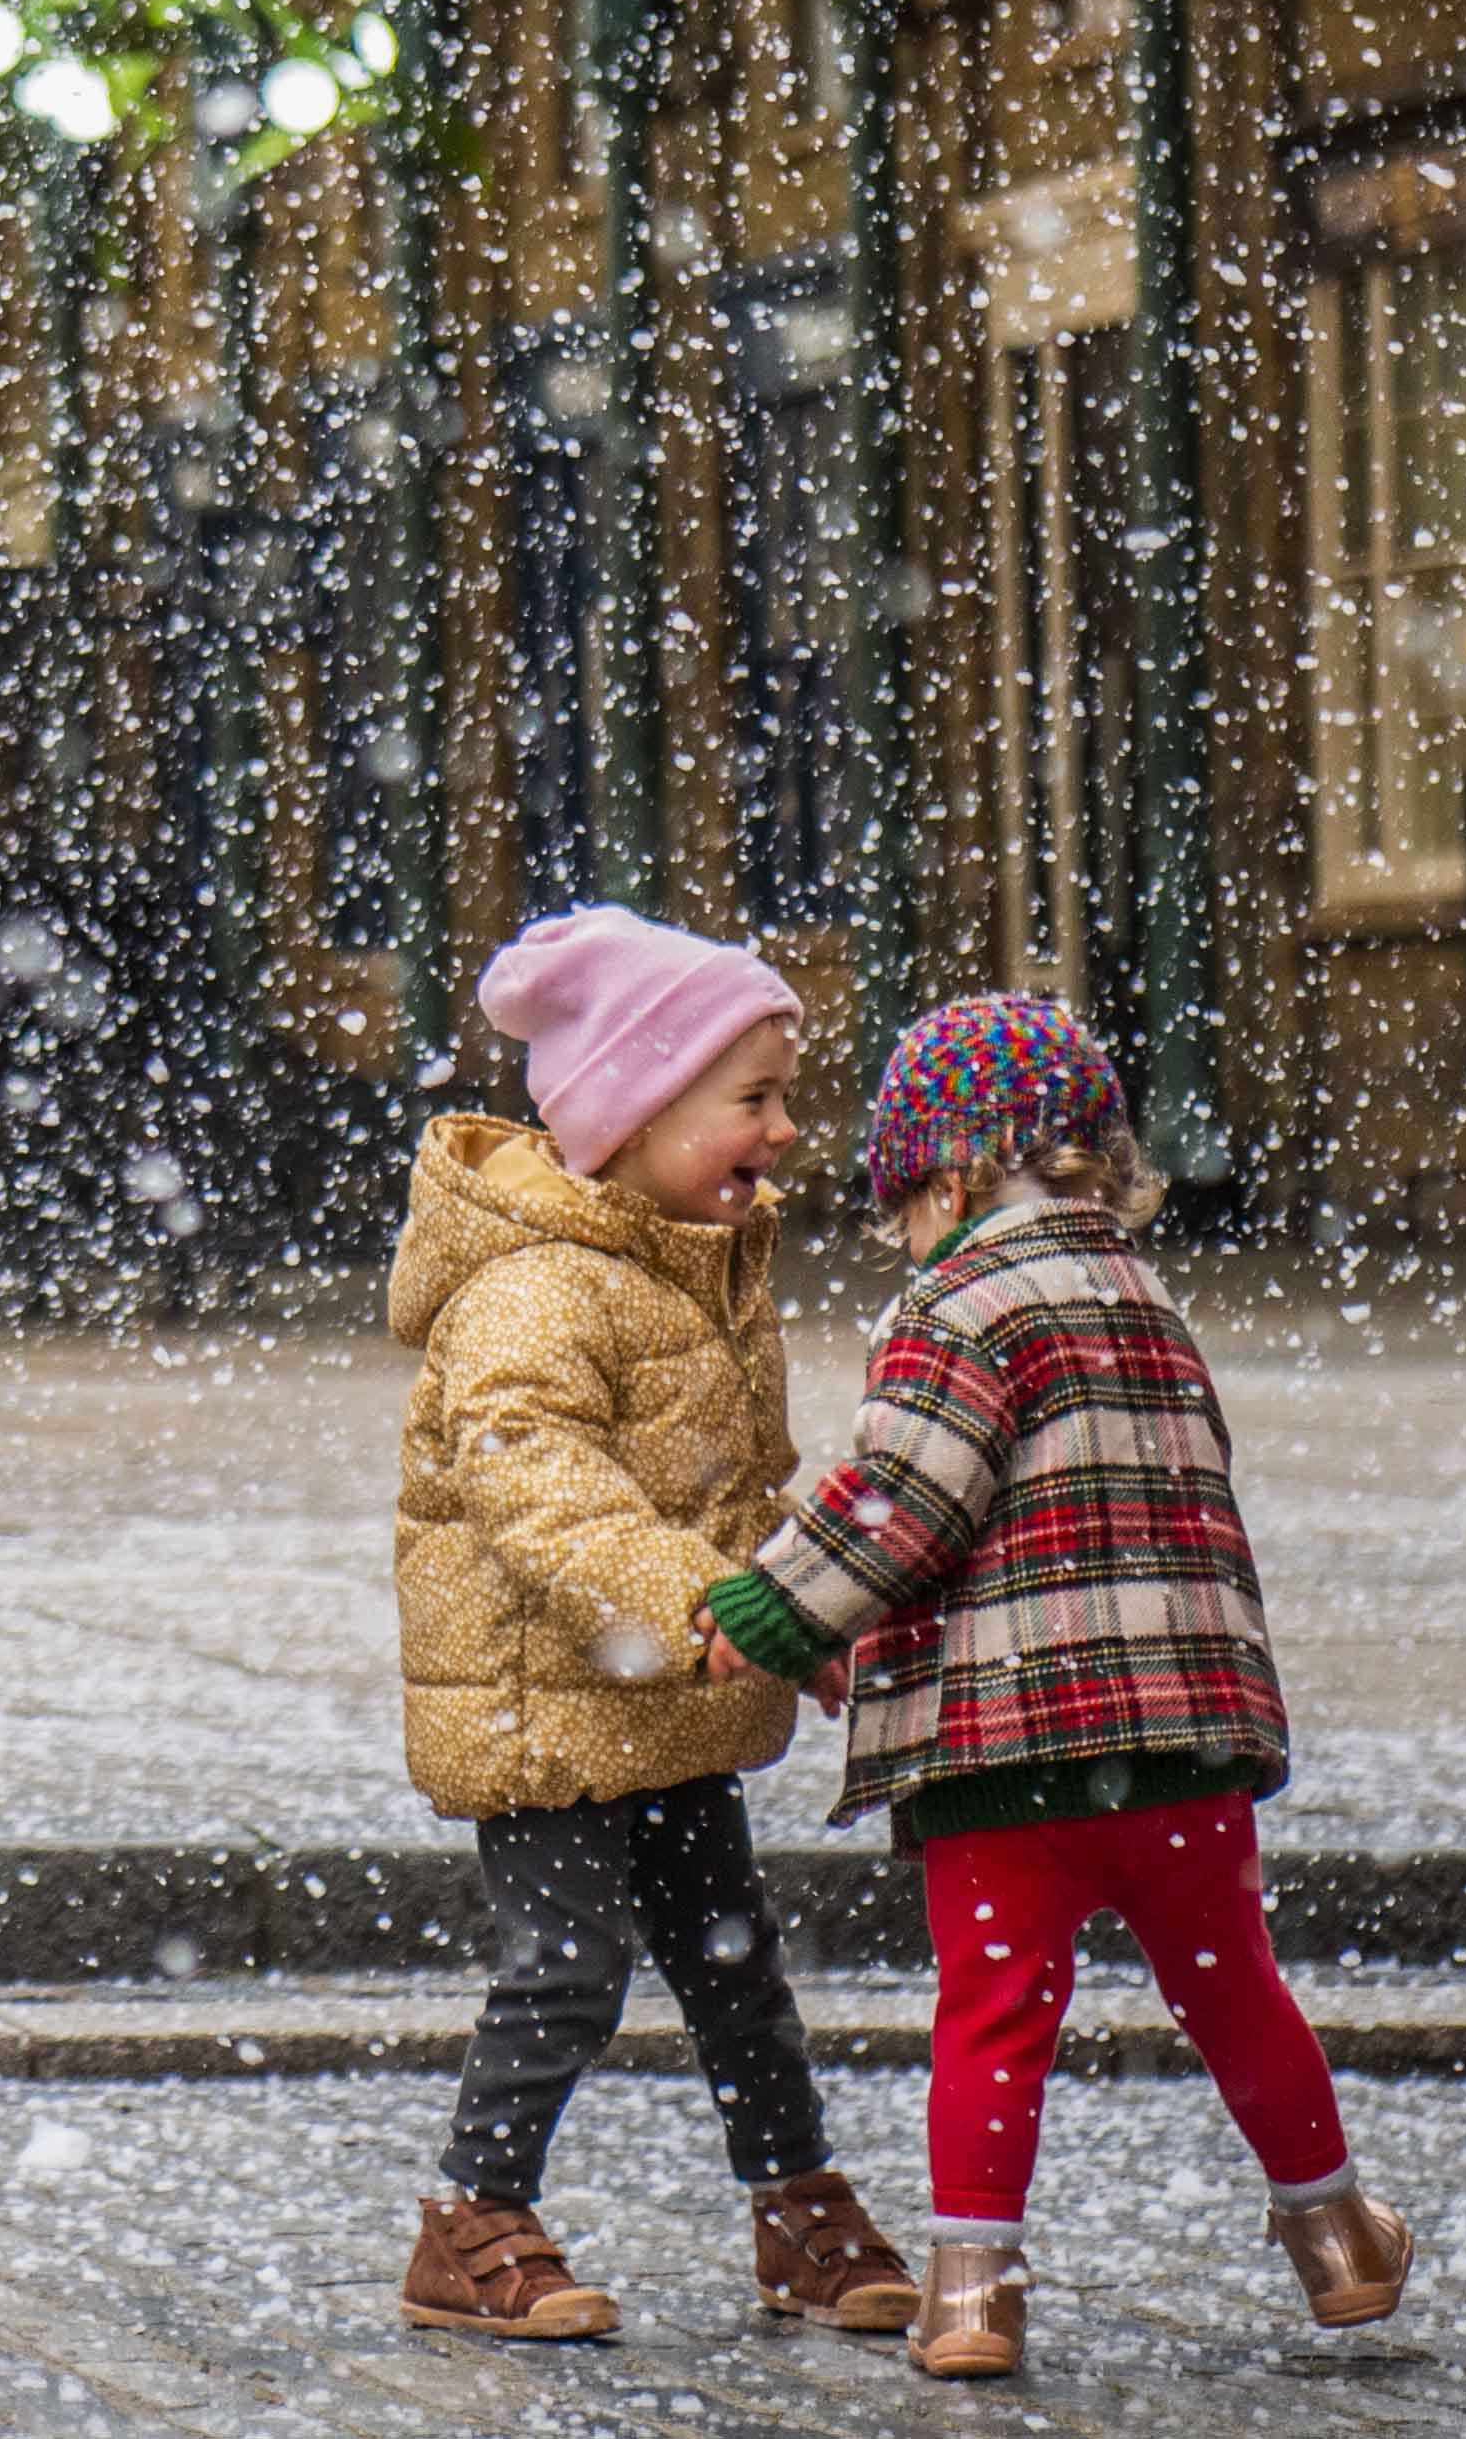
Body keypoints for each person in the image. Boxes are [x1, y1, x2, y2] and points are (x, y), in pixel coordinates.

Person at [695, 993, 1411, 2383]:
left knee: (992, 2008)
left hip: (1007, 1751)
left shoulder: (957, 1304)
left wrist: (768, 1611)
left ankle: (972, 2285)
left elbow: (902, 1498)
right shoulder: (1144, 1295)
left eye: (904, 1195)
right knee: (1237, 1990)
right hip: (1179, 1747)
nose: (904, 1226)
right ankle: (1338, 2237)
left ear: (950, 1174)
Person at [388, 906, 918, 2348]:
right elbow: (546, 1492)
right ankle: (469, 2215)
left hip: (669, 1695)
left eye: (785, 1095)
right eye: (752, 1098)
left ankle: (796, 2200)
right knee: (566, 1965)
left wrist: (807, 1611)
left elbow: (730, 1492)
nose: (788, 1128)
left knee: (736, 1960)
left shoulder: (694, 1266)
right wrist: (714, 1606)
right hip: (549, 1699)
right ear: (634, 1112)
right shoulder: (531, 1291)